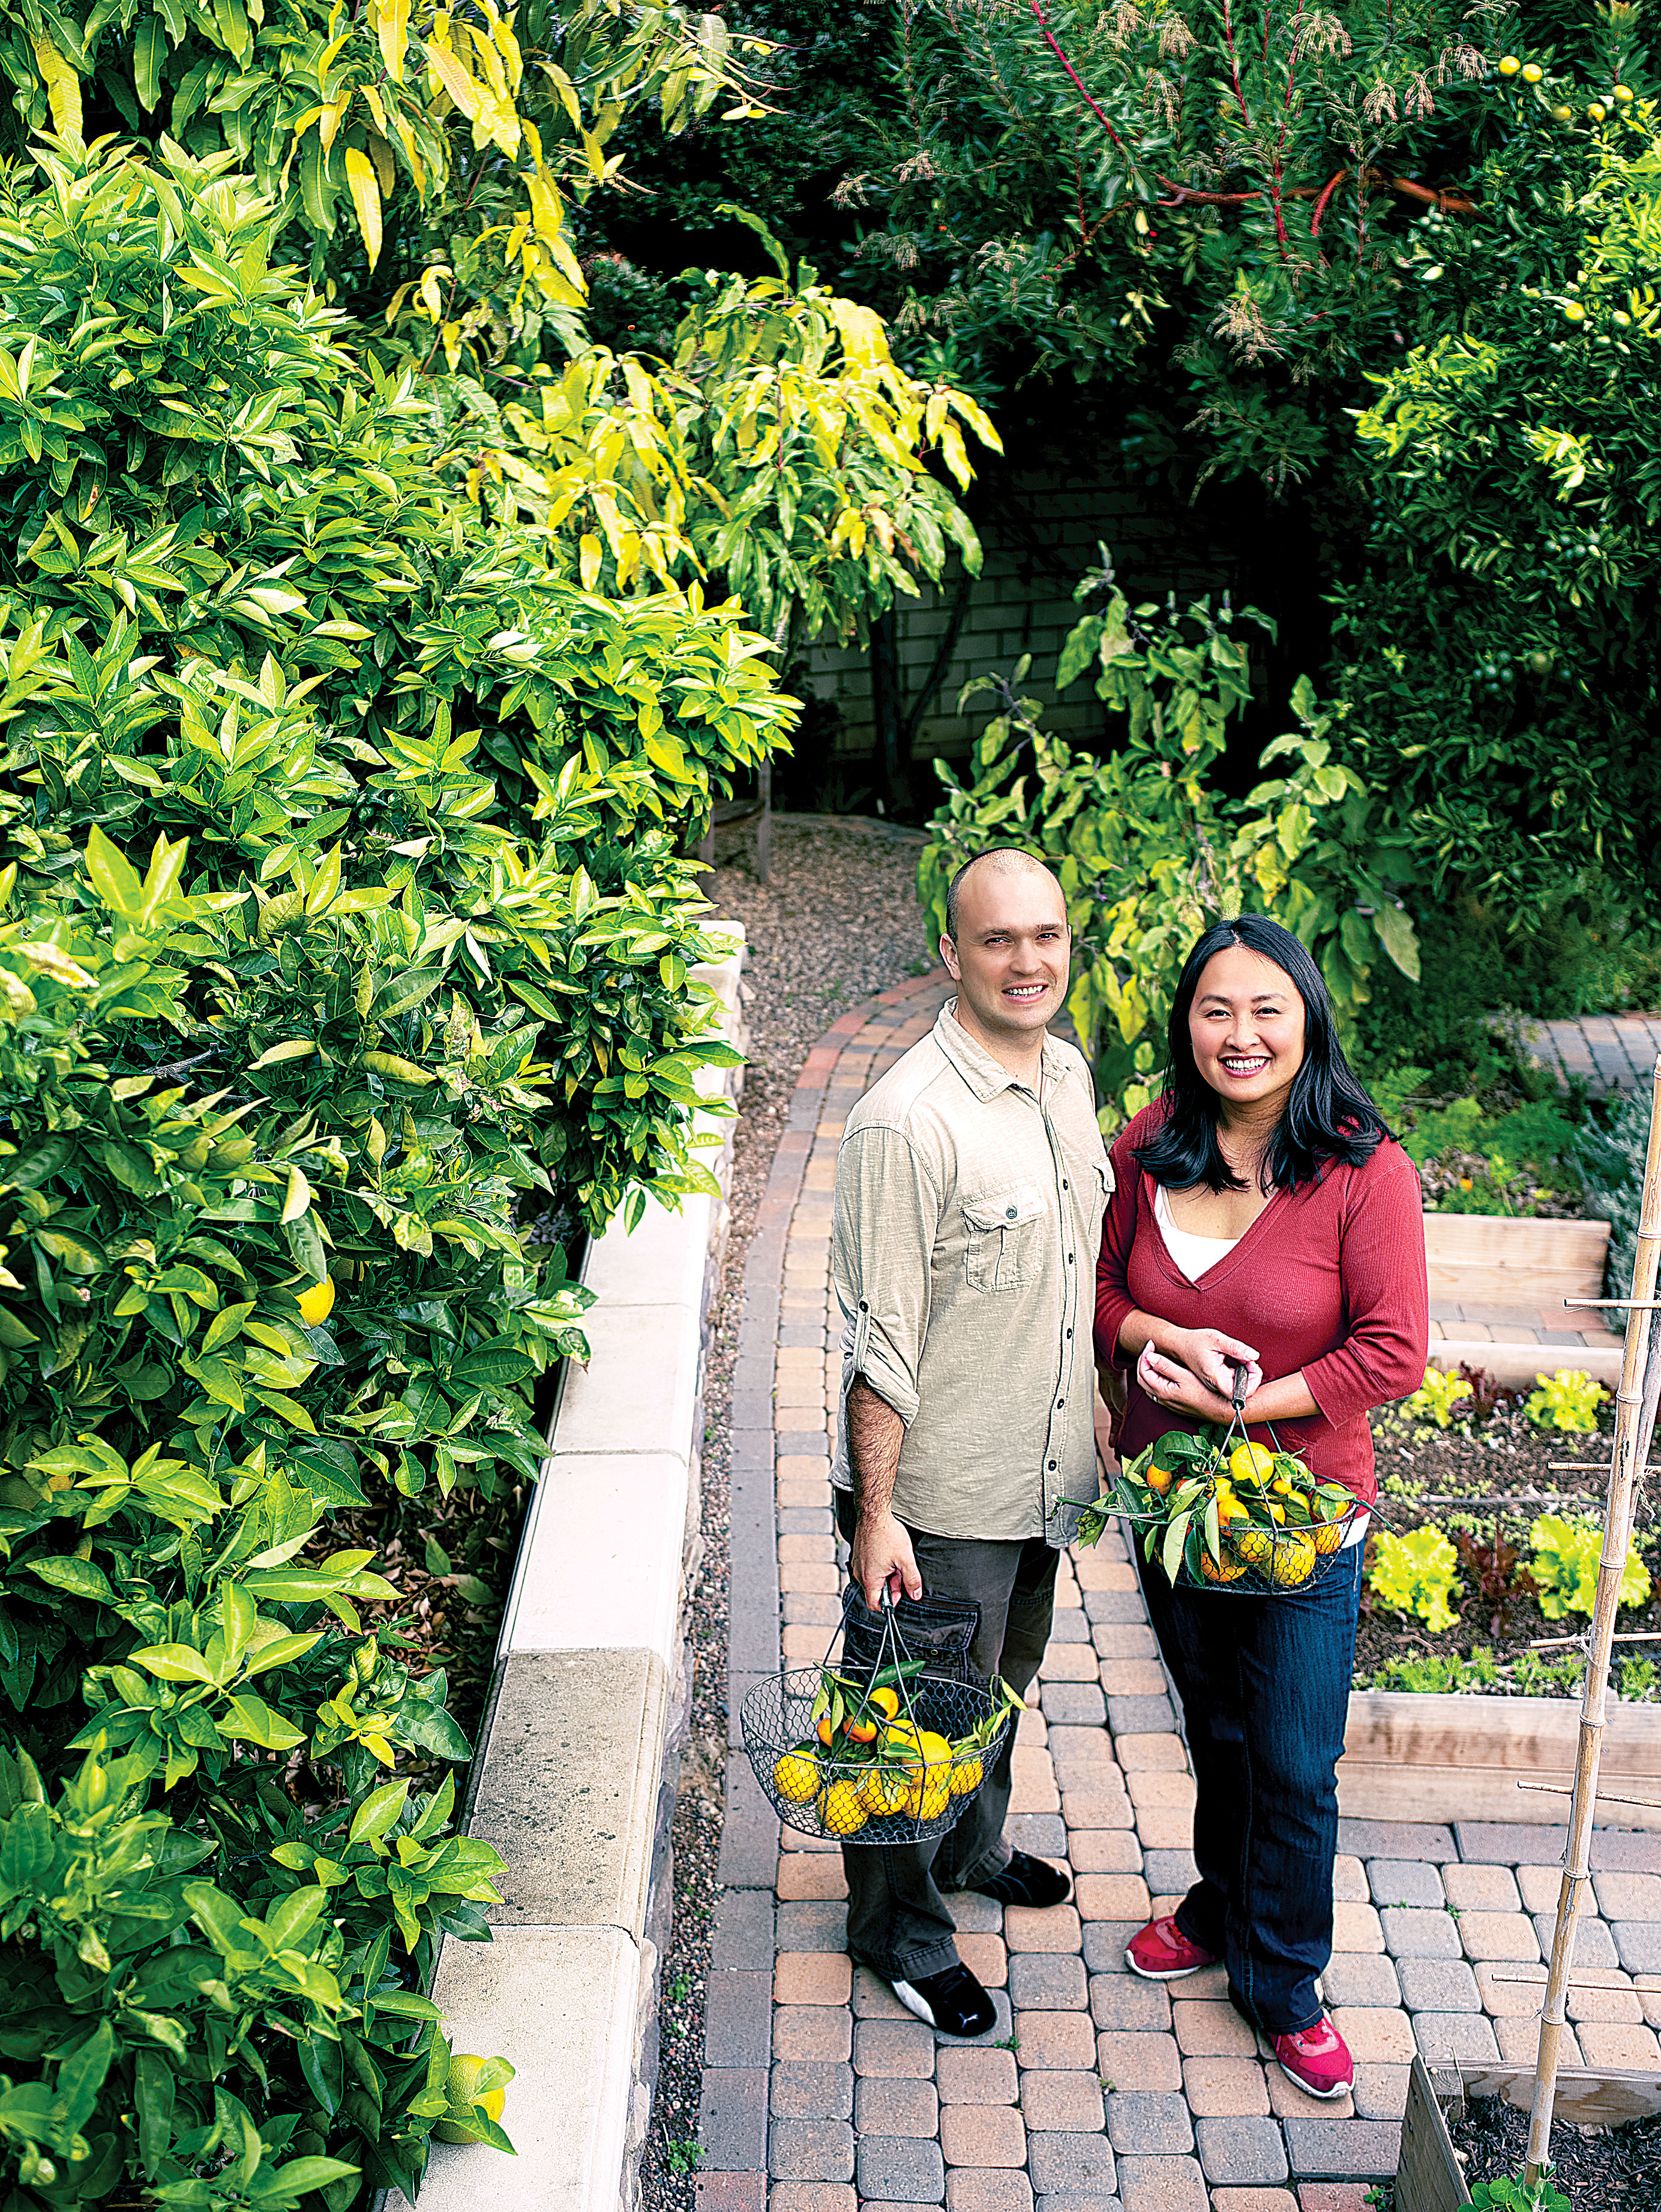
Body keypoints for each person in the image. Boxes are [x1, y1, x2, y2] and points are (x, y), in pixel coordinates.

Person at [1093, 913, 1428, 2100]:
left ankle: (1283, 1979)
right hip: (1174, 1506)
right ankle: (1218, 1900)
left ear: (1306, 1021)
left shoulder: (1362, 1171)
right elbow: (1100, 1290)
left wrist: (1245, 1401)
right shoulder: (1149, 1145)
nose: (1240, 1034)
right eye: (1215, 1009)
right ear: (1185, 1024)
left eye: (1265, 1009)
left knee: (1291, 1758)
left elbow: (1393, 1351)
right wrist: (1160, 1334)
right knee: (1218, 1730)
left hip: (1303, 1516)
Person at [831, 846, 1111, 2036]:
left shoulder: (1067, 1076)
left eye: (1045, 935)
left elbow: (1072, 1270)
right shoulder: (905, 1123)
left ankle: (971, 1848)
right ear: (952, 954)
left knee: (997, 1687)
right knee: (910, 1723)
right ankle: (897, 1928)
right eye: (997, 939)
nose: (1026, 960)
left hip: (1036, 1479)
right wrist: (878, 1514)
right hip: (938, 1500)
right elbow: (878, 1343)